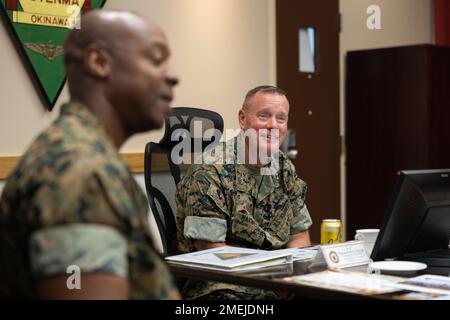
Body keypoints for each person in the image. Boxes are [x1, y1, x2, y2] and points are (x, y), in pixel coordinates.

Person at [0, 10, 180, 299]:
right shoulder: (81, 173)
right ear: (99, 62)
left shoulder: (82, 155)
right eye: (156, 59)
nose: (173, 76)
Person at [175, 85, 313, 299]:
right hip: (222, 284)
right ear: (242, 118)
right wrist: (272, 281)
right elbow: (212, 251)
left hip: (275, 280)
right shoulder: (211, 170)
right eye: (264, 115)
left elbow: (300, 235)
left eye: (281, 118)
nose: (272, 126)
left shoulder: (284, 168)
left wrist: (295, 278)